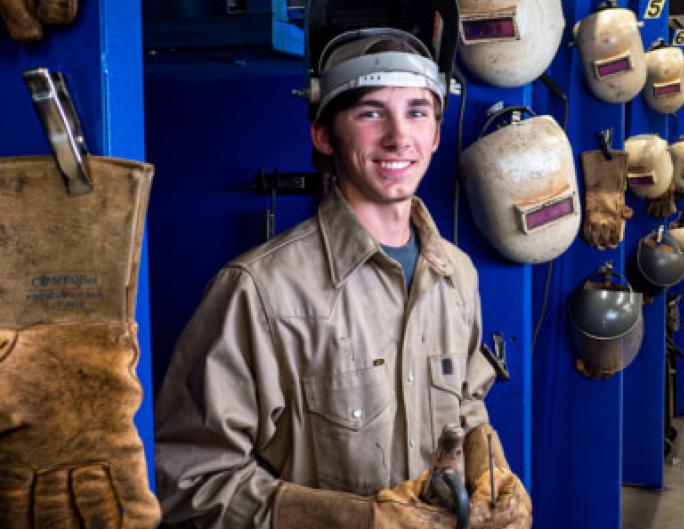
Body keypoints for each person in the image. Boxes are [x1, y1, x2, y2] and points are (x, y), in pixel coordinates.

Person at [154, 27, 532, 529]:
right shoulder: (260, 291)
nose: (399, 136)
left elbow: (466, 409)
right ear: (324, 134)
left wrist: (492, 471)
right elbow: (189, 484)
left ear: (436, 134)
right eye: (371, 112)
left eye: (417, 111)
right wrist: (359, 520)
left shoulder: (456, 275)